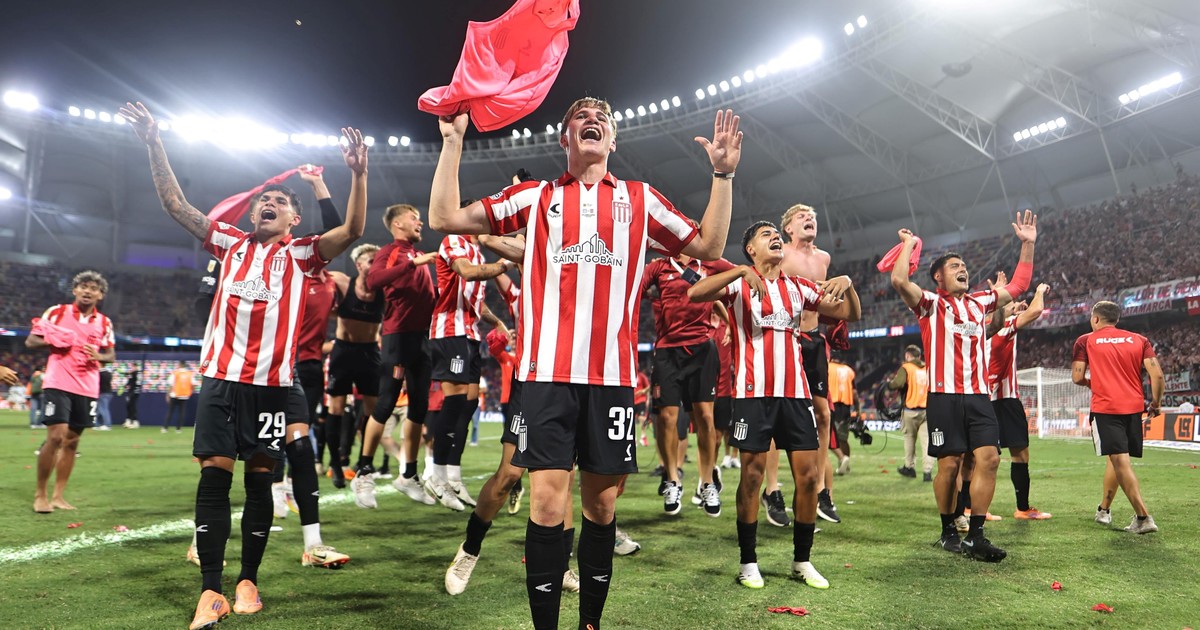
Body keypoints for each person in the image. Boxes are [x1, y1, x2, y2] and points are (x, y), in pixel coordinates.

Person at [429, 100, 741, 630]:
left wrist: (723, 175)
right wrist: (453, 141)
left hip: (612, 380)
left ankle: (589, 625)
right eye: (579, 114)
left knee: (601, 509)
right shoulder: (536, 197)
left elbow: (709, 244)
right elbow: (443, 217)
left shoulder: (640, 198)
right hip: (547, 377)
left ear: (612, 139)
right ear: (565, 138)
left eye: (602, 115)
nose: (591, 117)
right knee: (547, 506)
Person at [120, 101, 367, 628]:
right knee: (214, 478)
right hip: (220, 381)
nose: (269, 204)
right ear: (252, 215)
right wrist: (154, 142)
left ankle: (248, 578)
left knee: (259, 483)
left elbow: (351, 229)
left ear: (294, 218)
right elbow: (175, 204)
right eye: (263, 201)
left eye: (280, 201)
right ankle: (211, 590)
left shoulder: (302, 255)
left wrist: (358, 174)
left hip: (272, 387)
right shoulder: (228, 243)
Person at [688, 220, 860, 590]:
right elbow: (695, 293)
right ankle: (748, 562)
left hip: (795, 395)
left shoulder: (798, 286)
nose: (776, 238)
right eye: (766, 235)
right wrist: (738, 271)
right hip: (752, 396)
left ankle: (802, 560)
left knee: (809, 477)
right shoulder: (739, 284)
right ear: (750, 249)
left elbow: (850, 314)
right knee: (751, 477)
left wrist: (848, 283)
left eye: (776, 234)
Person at [888, 210, 1038, 563]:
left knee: (990, 459)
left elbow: (1018, 286)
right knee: (950, 467)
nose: (963, 269)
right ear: (938, 276)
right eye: (954, 265)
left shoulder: (980, 303)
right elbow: (899, 280)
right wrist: (908, 244)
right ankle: (947, 531)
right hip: (944, 398)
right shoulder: (930, 304)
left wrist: (1027, 245)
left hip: (979, 397)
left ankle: (976, 536)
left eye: (964, 265)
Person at [353, 204, 437, 509]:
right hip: (397, 337)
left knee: (420, 407)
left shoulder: (418, 256)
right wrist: (413, 264)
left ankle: (408, 475)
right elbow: (374, 280)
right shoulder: (392, 252)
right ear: (398, 223)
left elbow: (427, 296)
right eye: (414, 218)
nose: (420, 222)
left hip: (421, 339)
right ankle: (363, 472)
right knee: (386, 402)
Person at [424, 232, 513, 511]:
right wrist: (504, 264)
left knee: (468, 405)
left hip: (471, 334)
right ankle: (436, 476)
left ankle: (453, 476)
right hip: (450, 330)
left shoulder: (477, 251)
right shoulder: (454, 241)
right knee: (455, 401)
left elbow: (475, 301)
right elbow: (467, 272)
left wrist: (496, 321)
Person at [641, 252, 734, 517]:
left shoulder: (709, 262)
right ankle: (672, 479)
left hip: (701, 350)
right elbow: (634, 286)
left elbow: (735, 280)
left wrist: (730, 322)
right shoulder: (659, 266)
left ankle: (707, 482)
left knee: (705, 417)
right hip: (668, 351)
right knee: (667, 418)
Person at [26, 270, 115, 514]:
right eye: (83, 286)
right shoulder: (57, 312)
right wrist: (54, 341)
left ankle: (58, 496)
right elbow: (31, 341)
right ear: (75, 290)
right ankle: (40, 494)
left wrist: (99, 356)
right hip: (58, 382)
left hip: (87, 386)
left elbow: (110, 355)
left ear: (100, 295)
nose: (88, 291)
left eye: (94, 288)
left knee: (73, 441)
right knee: (56, 437)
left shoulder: (104, 322)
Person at [1071, 301, 1163, 534]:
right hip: (1133, 408)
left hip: (1106, 407)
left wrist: (1092, 383)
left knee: (1120, 460)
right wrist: (1156, 403)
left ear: (1095, 319)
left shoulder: (1085, 340)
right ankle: (1104, 509)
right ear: (1117, 319)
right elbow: (1157, 375)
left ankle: (1143, 517)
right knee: (1117, 458)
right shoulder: (1139, 340)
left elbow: (1077, 377)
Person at [778, 204, 841, 523]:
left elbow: (822, 302)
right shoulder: (780, 253)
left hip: (814, 340)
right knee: (776, 414)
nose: (809, 220)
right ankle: (772, 489)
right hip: (785, 337)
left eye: (812, 217)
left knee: (823, 413)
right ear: (788, 228)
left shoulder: (824, 258)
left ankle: (820, 489)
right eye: (801, 217)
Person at [987, 283, 1053, 520]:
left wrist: (1011, 306)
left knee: (978, 458)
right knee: (1012, 455)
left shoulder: (980, 329)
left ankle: (972, 508)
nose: (1014, 307)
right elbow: (1035, 311)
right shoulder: (1005, 327)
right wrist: (1039, 292)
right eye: (1010, 304)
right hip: (1002, 400)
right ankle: (1021, 508)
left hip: (985, 398)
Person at [324, 243, 385, 491]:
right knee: (336, 409)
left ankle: (363, 462)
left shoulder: (384, 289)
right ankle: (335, 463)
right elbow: (315, 276)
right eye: (371, 261)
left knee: (373, 410)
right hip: (343, 351)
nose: (376, 265)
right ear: (358, 265)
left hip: (370, 352)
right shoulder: (341, 282)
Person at [890, 345, 933, 481]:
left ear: (907, 356)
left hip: (910, 410)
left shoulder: (906, 367)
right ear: (919, 356)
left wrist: (889, 384)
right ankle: (927, 472)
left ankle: (909, 468)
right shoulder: (928, 368)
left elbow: (897, 383)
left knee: (909, 439)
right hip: (926, 410)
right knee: (926, 442)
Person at [827, 354, 856, 475]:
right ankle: (846, 465)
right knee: (843, 439)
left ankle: (842, 458)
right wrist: (858, 409)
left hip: (831, 405)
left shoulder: (827, 367)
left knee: (827, 437)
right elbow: (854, 392)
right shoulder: (849, 371)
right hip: (846, 408)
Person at [165, 361, 195, 433]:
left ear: (180, 365)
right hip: (184, 396)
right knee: (181, 412)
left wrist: (168, 394)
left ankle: (165, 428)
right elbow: (193, 384)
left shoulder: (175, 373)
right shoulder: (189, 373)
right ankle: (178, 429)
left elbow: (171, 384)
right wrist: (190, 392)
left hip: (174, 395)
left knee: (170, 411)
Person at [96, 366, 114, 430]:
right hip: (108, 393)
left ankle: (107, 424)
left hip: (102, 393)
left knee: (103, 409)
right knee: (100, 409)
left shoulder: (99, 374)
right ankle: (98, 424)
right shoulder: (109, 373)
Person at [123, 365, 141, 429]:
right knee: (129, 406)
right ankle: (128, 421)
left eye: (133, 367)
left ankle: (134, 422)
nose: (131, 368)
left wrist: (126, 373)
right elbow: (130, 381)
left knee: (132, 406)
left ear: (136, 367)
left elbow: (137, 383)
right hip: (131, 392)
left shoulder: (136, 373)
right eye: (131, 367)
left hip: (134, 392)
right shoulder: (133, 374)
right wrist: (125, 386)